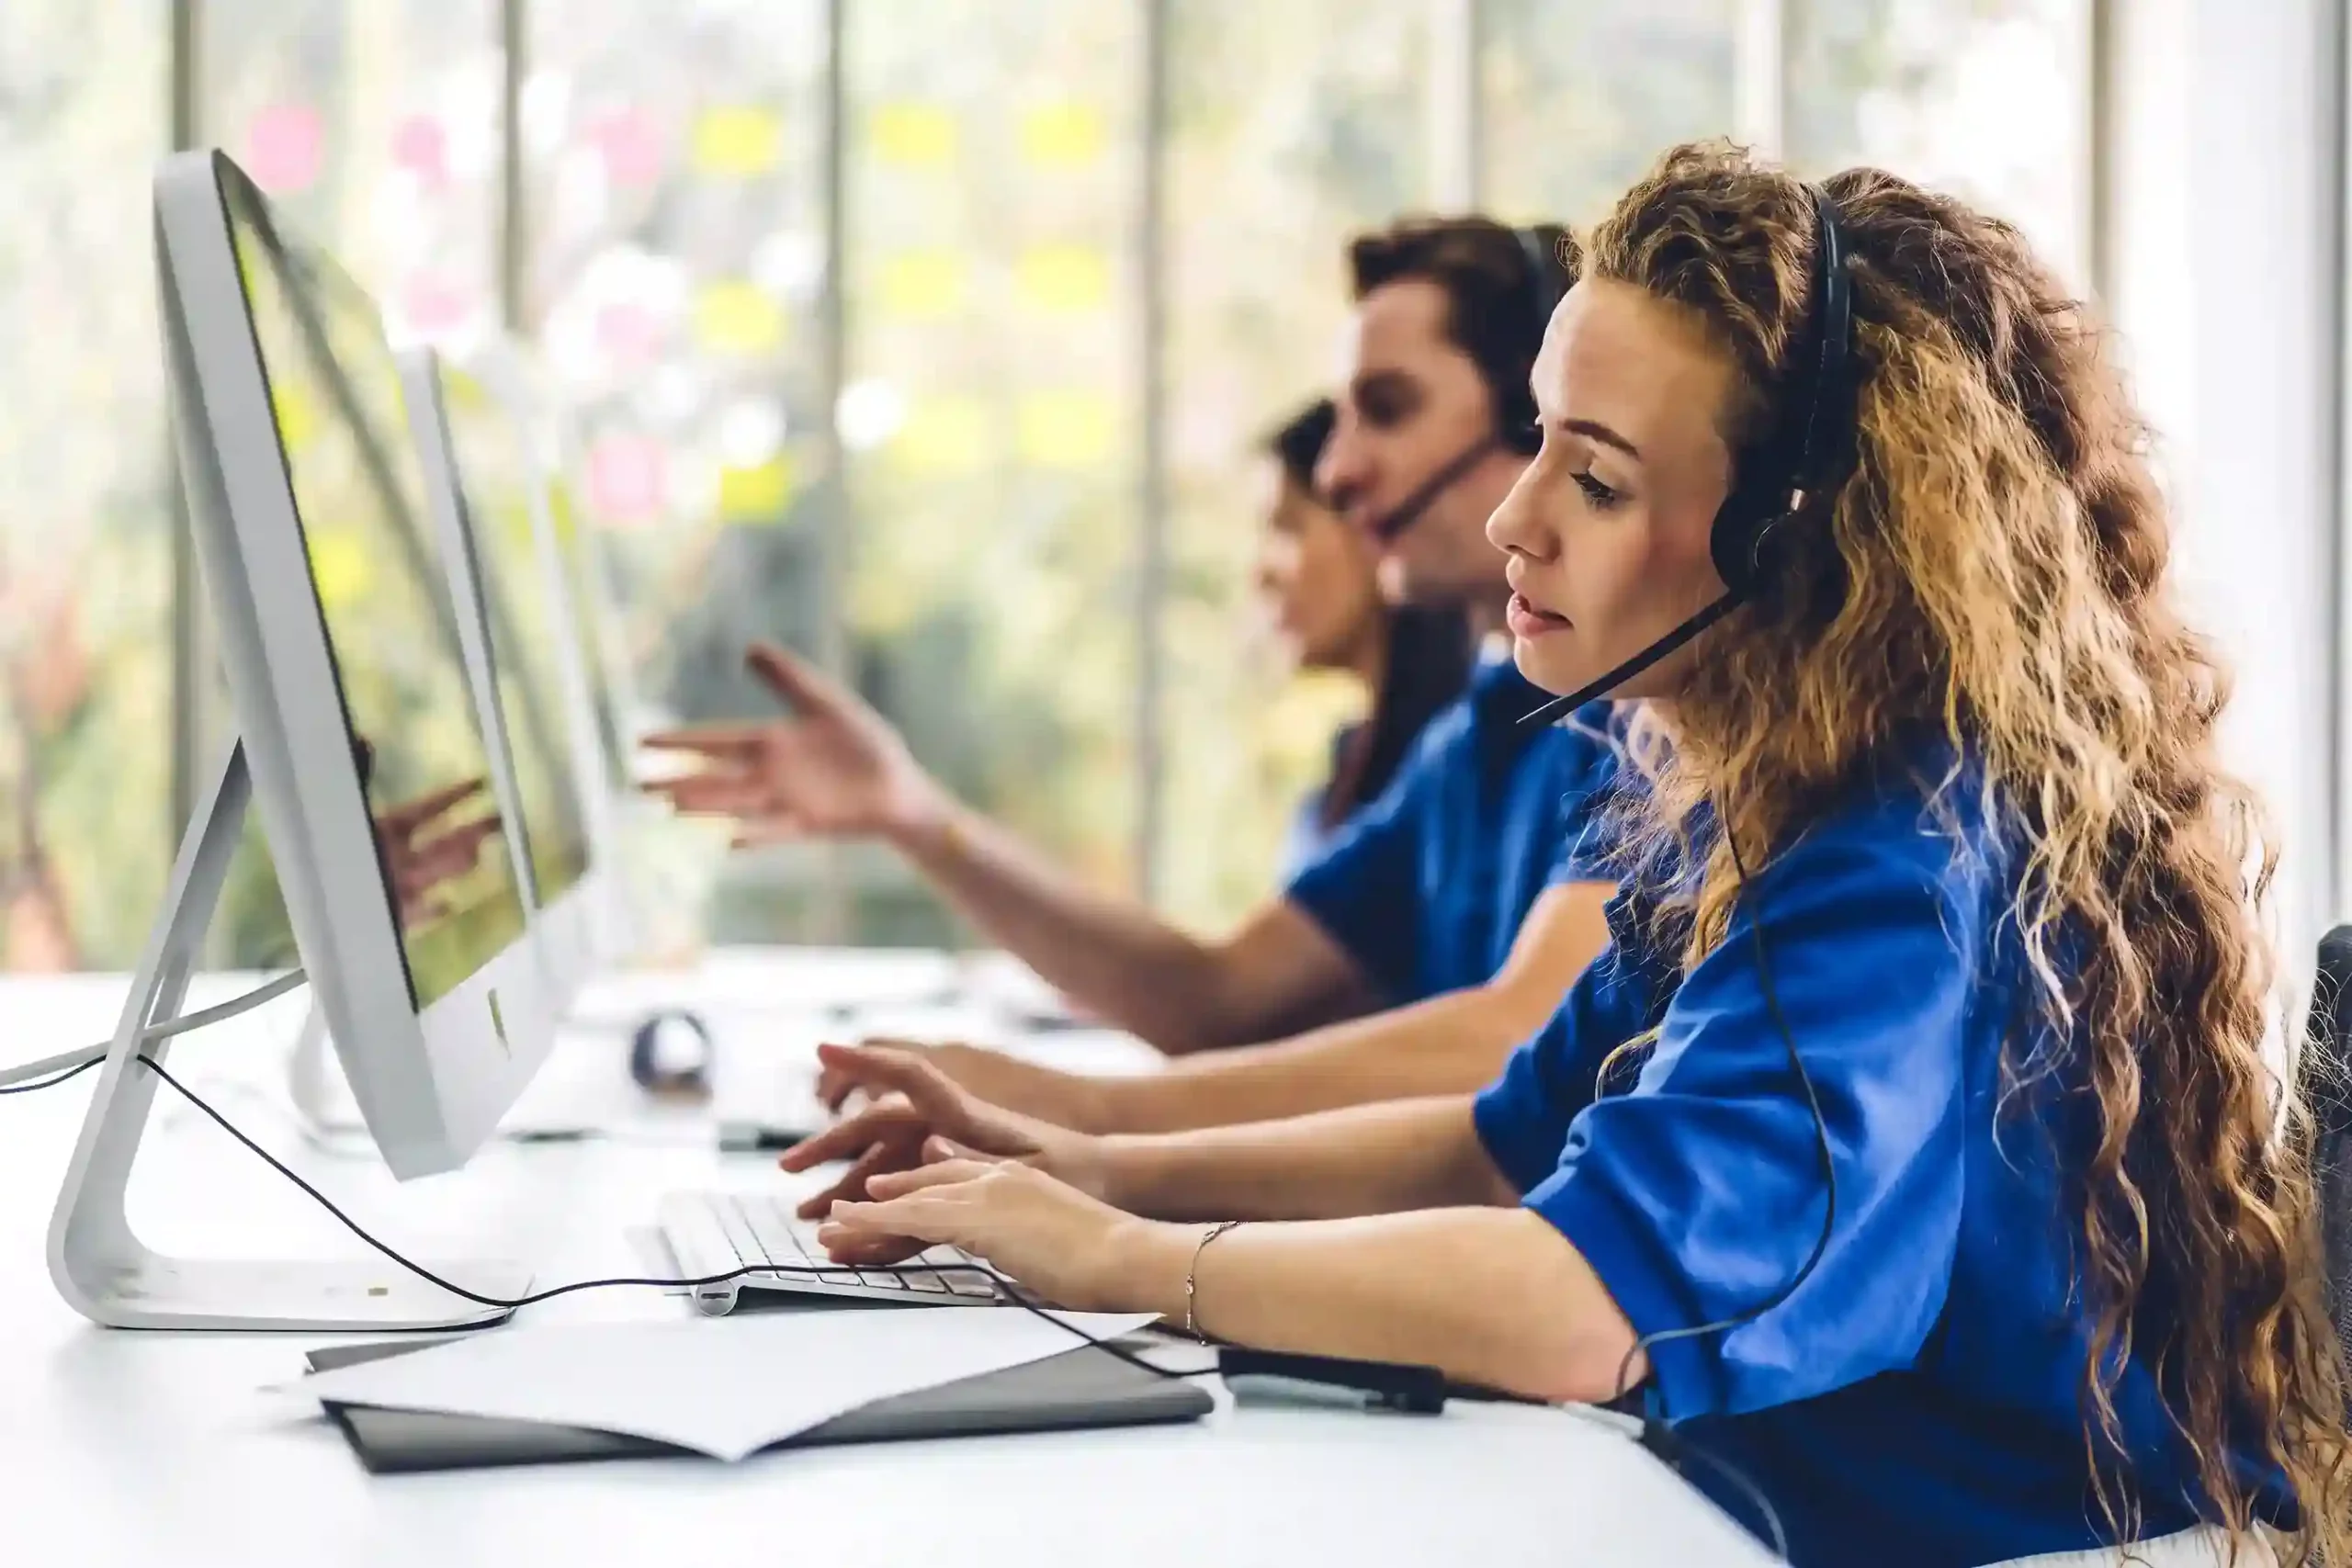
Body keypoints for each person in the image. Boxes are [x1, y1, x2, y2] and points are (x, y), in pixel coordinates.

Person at [790, 142, 2351, 1567]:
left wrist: (1129, 1256)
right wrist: (1077, 1167)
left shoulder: (1905, 865)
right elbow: (1492, 1144)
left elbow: (1579, 1307)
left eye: (1597, 479)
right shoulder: (1752, 806)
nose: (1514, 521)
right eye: (1541, 440)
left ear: (1790, 545)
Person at [650, 216, 1624, 1136]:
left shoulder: (1634, 722)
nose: (1335, 473)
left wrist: (1068, 1108)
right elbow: (1216, 999)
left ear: (1536, 419)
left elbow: (1523, 1039)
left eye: (1387, 409)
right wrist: (914, 814)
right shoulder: (1479, 737)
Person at [1252, 396, 1474, 877]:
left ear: (1370, 525)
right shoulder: (1342, 773)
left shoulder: (1462, 760)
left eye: (1289, 528)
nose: (1260, 576)